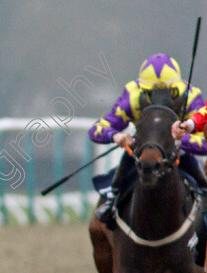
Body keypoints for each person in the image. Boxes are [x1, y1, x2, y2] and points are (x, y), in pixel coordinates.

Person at [89, 53, 207, 229]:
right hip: (143, 152)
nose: (160, 99)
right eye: (151, 94)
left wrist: (181, 139)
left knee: (202, 184)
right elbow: (97, 129)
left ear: (177, 89)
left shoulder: (191, 97)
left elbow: (204, 143)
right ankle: (111, 203)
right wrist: (117, 136)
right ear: (142, 90)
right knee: (127, 167)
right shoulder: (132, 95)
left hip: (179, 154)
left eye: (168, 93)